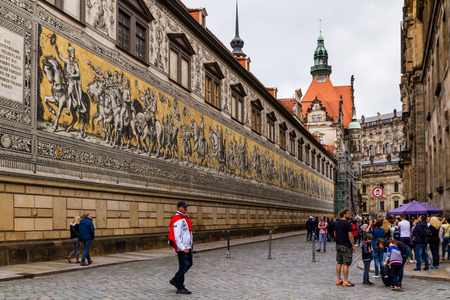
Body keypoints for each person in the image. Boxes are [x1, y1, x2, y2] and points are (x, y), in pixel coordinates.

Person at [169, 201, 194, 295]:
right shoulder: (178, 219)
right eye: (184, 207)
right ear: (179, 208)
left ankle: (175, 280)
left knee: (189, 264)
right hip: (183, 248)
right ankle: (180, 287)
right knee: (183, 266)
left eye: (186, 207)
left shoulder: (184, 218)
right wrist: (182, 247)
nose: (186, 208)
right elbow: (176, 236)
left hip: (187, 246)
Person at [334, 208, 355, 287]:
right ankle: (345, 281)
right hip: (346, 245)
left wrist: (338, 240)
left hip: (338, 245)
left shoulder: (337, 222)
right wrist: (353, 245)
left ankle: (339, 280)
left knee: (339, 262)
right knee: (346, 263)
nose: (349, 214)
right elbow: (350, 235)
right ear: (344, 214)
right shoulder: (347, 223)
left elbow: (335, 234)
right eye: (348, 213)